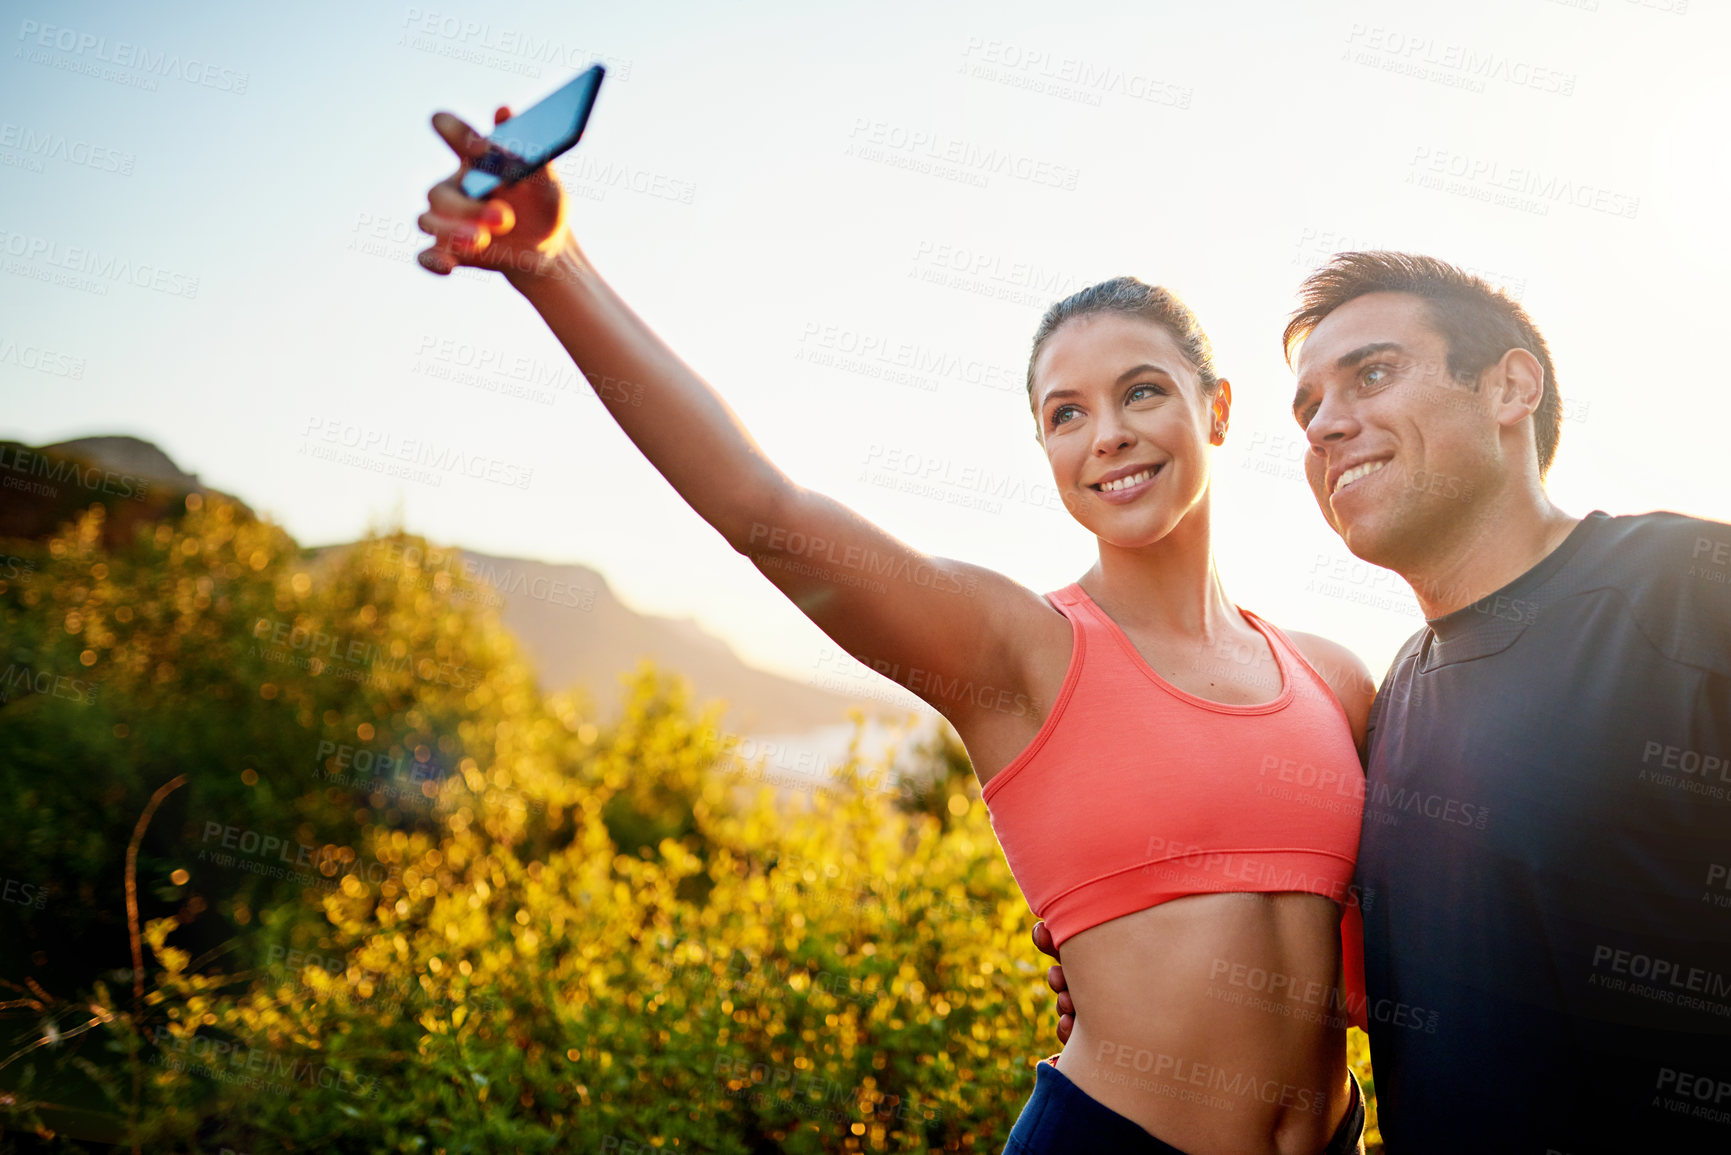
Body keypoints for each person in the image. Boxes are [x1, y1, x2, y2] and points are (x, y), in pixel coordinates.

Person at [415, 106, 1373, 1155]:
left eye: (1142, 392)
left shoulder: (1332, 678)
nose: (1108, 436)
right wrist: (555, 266)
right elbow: (765, 513)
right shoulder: (1016, 651)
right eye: (1065, 413)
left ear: (1218, 409)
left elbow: (1405, 943)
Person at [1041, 251, 1731, 1153]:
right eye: (1307, 408)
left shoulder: (1689, 590)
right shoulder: (1392, 696)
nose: (1326, 424)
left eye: (1370, 373)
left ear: (1509, 387)